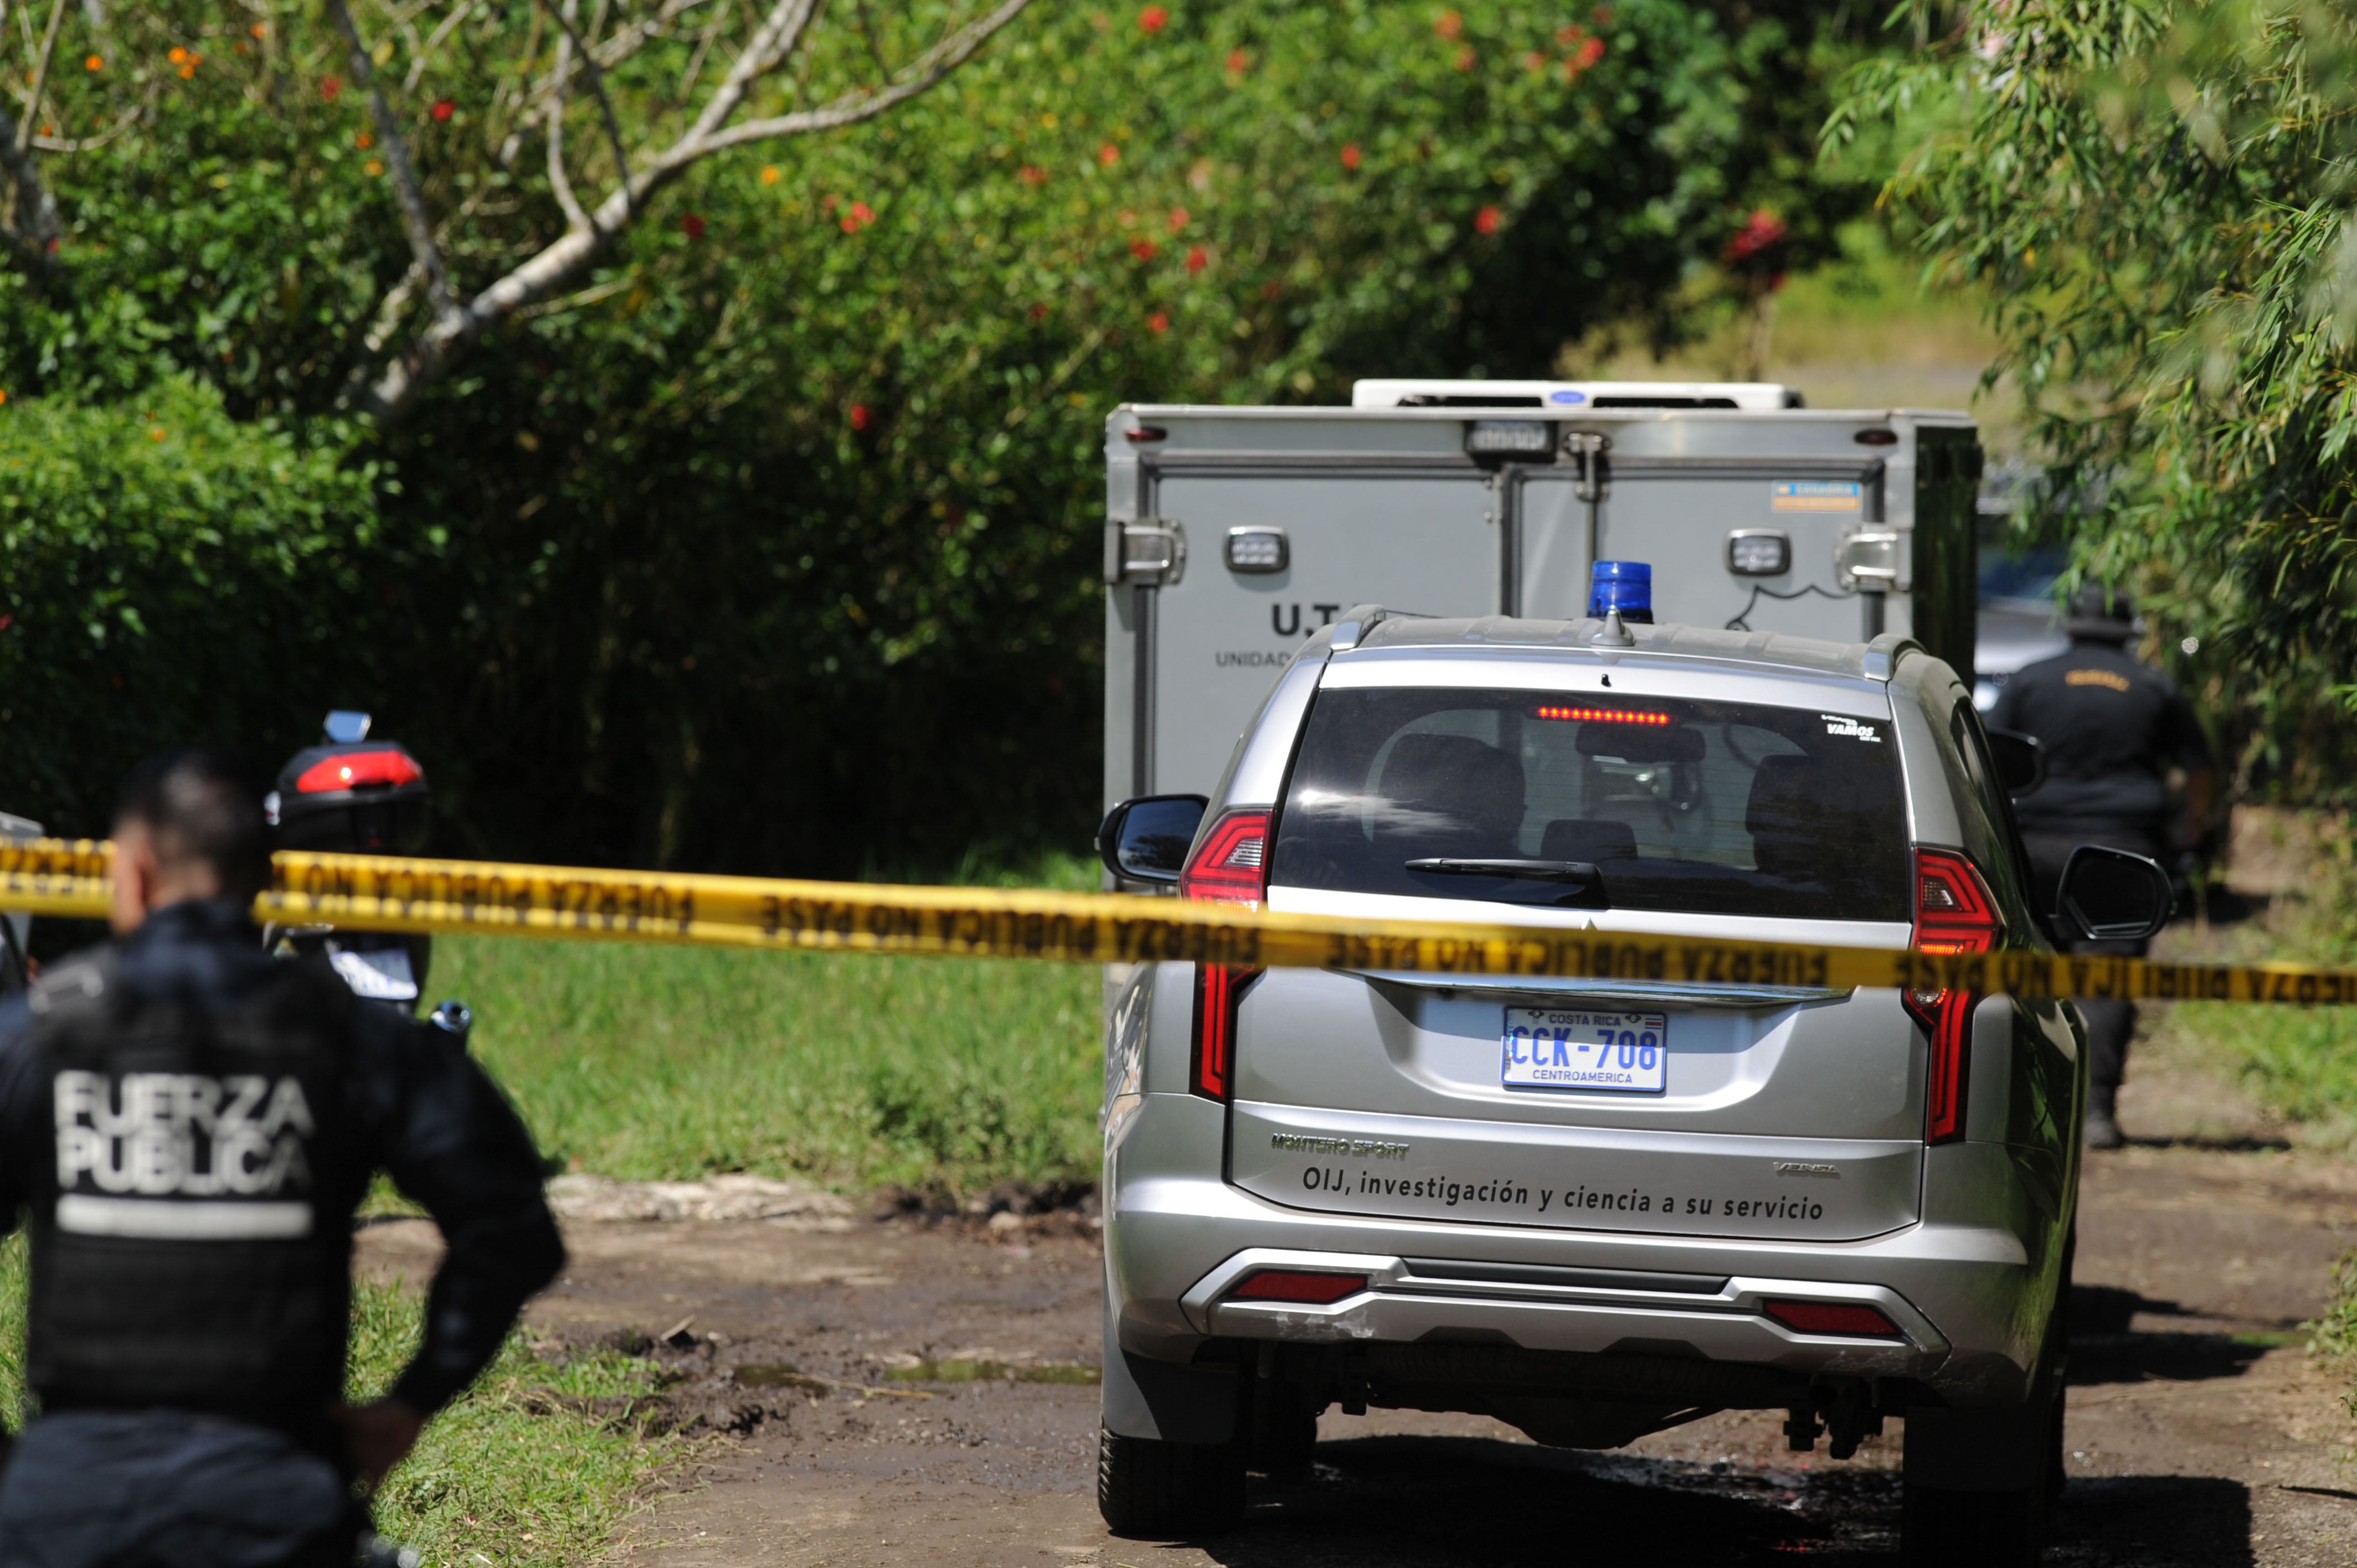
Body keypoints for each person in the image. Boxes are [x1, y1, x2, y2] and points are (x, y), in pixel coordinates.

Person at [0, 748, 565, 1567]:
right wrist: (410, 1403)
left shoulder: (38, 1037)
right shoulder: (355, 1039)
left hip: (66, 1515)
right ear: (266, 879)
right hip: (275, 1512)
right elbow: (513, 1229)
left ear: (135, 872)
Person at [1990, 584, 2217, 1149]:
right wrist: (2191, 823)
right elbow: (2199, 766)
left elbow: (1990, 758)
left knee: (2028, 976)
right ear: (2127, 632)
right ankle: (2095, 1113)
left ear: (2071, 625)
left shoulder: (2030, 680)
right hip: (2121, 853)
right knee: (2107, 980)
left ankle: (2027, 1108)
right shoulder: (2152, 686)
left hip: (2036, 849)